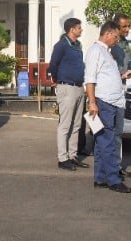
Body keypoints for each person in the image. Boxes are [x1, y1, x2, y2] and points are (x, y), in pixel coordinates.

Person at [84, 21, 130, 193]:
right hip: (104, 102)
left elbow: (106, 75)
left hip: (114, 101)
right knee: (107, 141)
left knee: (102, 142)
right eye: (116, 37)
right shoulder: (95, 50)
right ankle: (113, 179)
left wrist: (122, 76)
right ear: (108, 34)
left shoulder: (107, 52)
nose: (117, 40)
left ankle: (101, 177)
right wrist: (92, 102)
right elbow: (90, 79)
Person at [48, 17, 86, 171]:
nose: (81, 30)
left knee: (76, 124)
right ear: (72, 29)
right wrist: (58, 79)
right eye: (79, 27)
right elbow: (53, 65)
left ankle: (72, 155)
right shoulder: (62, 45)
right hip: (67, 87)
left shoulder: (78, 45)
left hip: (79, 87)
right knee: (65, 124)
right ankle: (63, 158)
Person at [108, 13, 131, 178]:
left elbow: (124, 64)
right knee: (110, 132)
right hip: (111, 90)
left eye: (129, 26)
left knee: (118, 131)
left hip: (122, 86)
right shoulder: (110, 46)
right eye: (124, 26)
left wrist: (127, 74)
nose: (127, 29)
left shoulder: (124, 43)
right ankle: (110, 168)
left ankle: (117, 166)